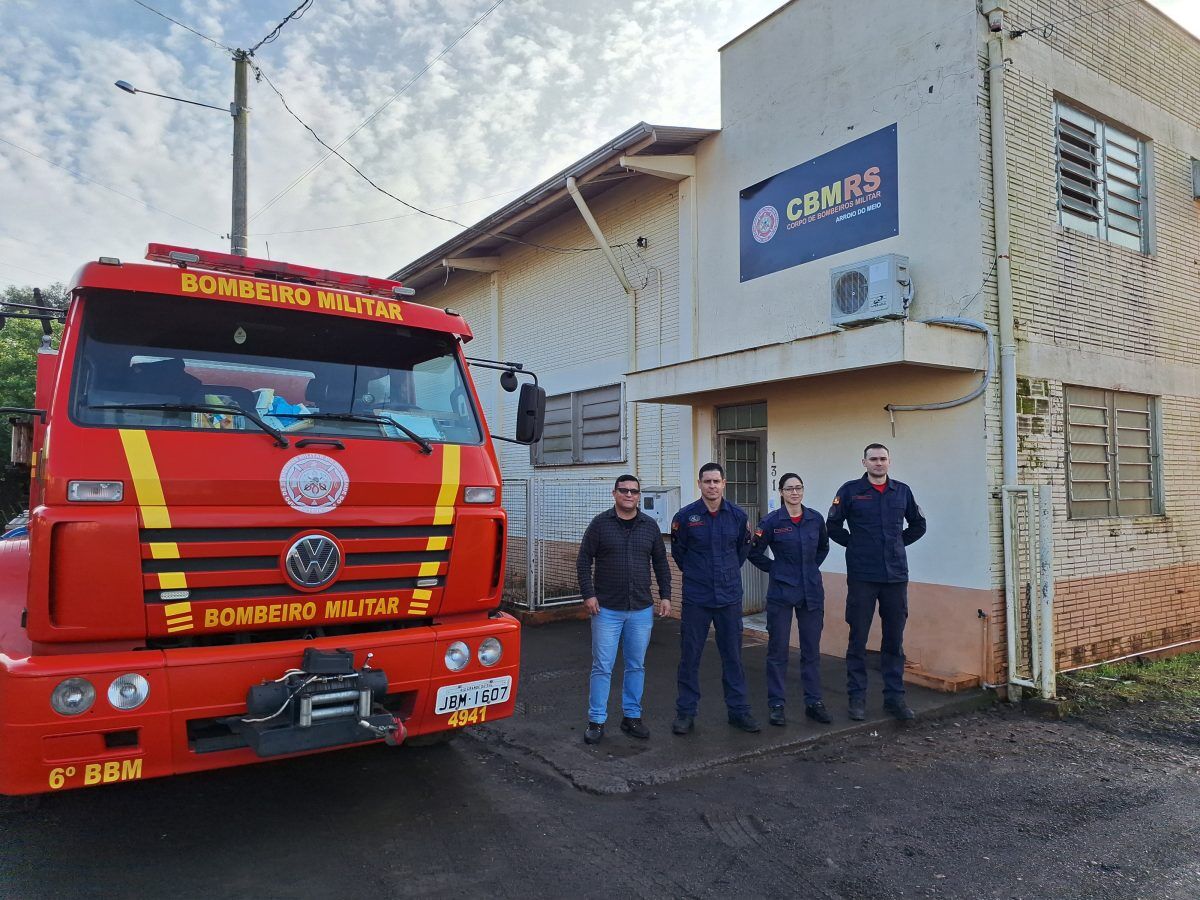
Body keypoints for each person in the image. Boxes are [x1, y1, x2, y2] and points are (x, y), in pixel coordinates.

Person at [827, 443, 927, 721]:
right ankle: (856, 698)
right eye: (873, 459)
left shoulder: (902, 491)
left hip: (895, 576)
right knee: (857, 638)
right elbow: (832, 526)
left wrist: (897, 543)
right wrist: (855, 545)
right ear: (864, 462)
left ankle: (894, 698)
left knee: (894, 640)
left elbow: (918, 525)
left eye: (883, 459)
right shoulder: (850, 491)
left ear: (889, 462)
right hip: (862, 576)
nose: (878, 463)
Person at [577, 474, 673, 745]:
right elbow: (584, 560)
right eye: (624, 490)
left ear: (639, 495)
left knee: (636, 666)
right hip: (606, 609)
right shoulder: (600, 524)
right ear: (614, 493)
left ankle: (631, 717)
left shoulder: (649, 526)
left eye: (634, 491)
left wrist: (666, 596)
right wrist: (589, 594)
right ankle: (596, 721)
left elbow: (661, 564)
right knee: (602, 667)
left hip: (641, 610)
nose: (629, 495)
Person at [669, 463, 760, 735]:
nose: (712, 486)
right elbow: (679, 554)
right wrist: (701, 575)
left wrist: (725, 574)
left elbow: (743, 550)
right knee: (690, 657)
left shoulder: (737, 516)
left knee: (733, 656)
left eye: (716, 481)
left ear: (724, 483)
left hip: (729, 597)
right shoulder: (685, 517)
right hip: (697, 598)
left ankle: (739, 711)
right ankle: (686, 713)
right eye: (707, 481)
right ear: (699, 484)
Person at [749, 473, 831, 727]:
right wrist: (776, 569)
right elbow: (754, 552)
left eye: (798, 488)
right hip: (782, 593)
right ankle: (776, 704)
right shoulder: (772, 521)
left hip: (811, 592)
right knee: (778, 650)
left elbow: (823, 547)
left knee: (811, 650)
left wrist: (809, 568)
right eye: (789, 488)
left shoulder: (815, 519)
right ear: (781, 492)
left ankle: (814, 702)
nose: (795, 492)